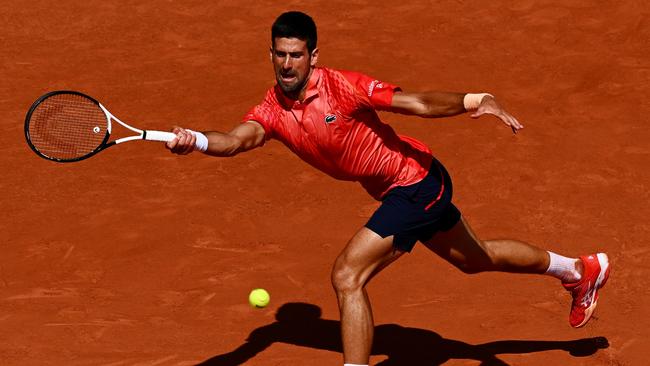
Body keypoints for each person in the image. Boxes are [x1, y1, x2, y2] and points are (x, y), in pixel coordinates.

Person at [166, 11, 610, 366]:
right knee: (479, 259)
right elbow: (237, 140)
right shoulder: (272, 108)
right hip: (405, 193)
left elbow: (414, 102)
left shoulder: (342, 87)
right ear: (271, 54)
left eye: (296, 55)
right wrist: (198, 142)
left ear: (313, 56)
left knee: (346, 274)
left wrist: (475, 100)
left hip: (416, 183)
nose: (286, 64)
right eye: (279, 54)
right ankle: (577, 271)